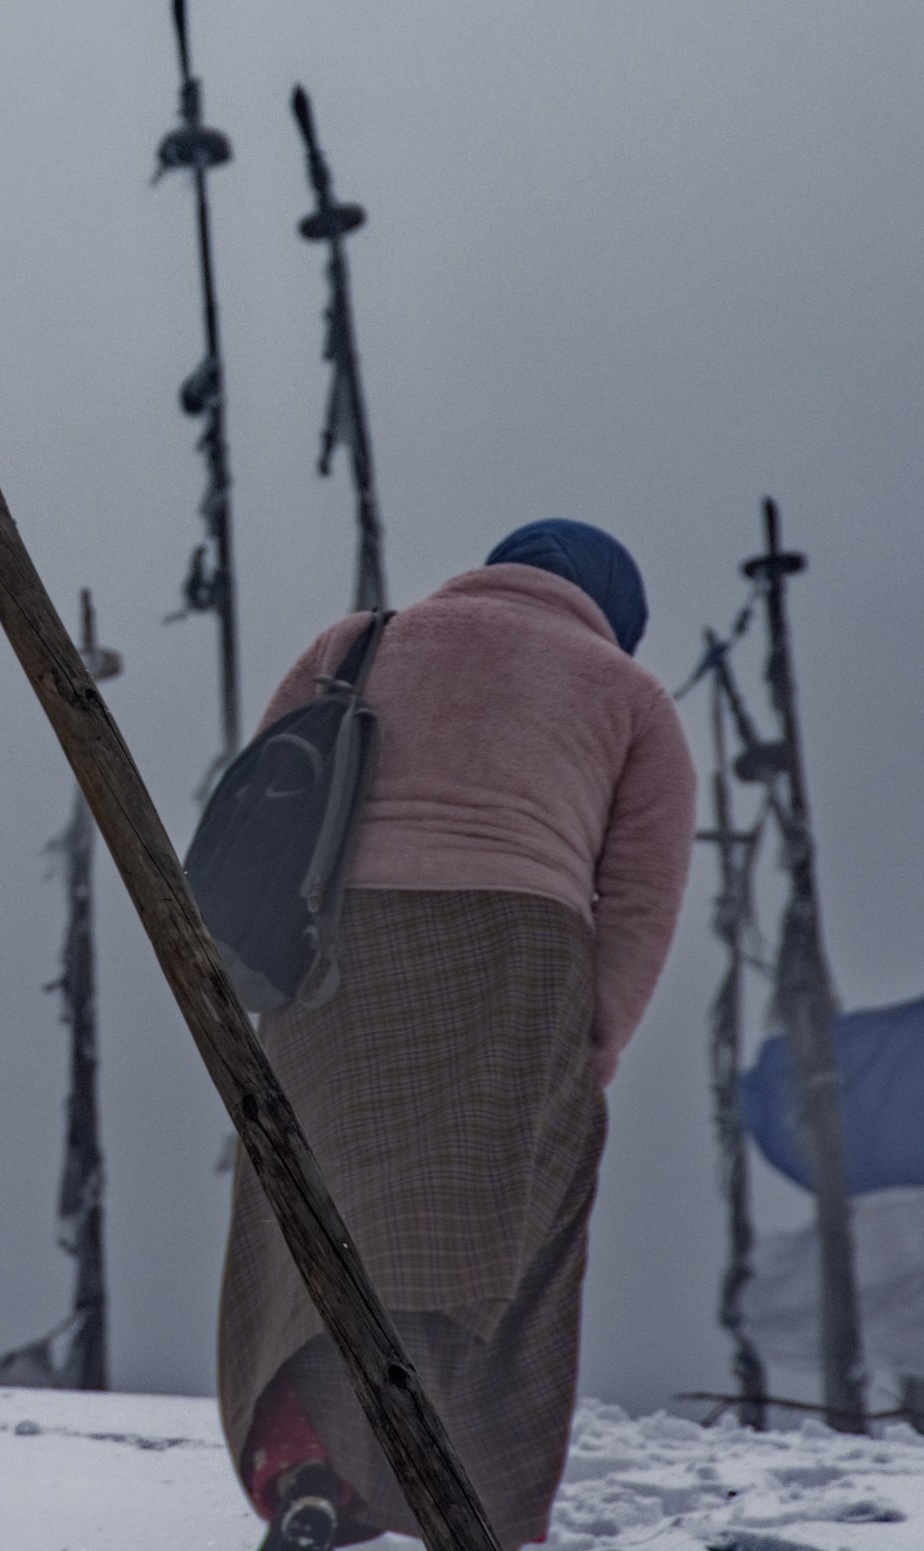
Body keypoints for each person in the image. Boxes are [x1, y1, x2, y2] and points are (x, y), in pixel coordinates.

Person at [218, 519, 695, 1551]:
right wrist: (592, 1042)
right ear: (614, 609)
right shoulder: (632, 696)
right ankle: (456, 1487)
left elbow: (266, 804)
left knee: (306, 1204)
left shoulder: (357, 641)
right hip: (519, 957)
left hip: (331, 947)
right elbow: (642, 898)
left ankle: (304, 1462)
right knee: (498, 1233)